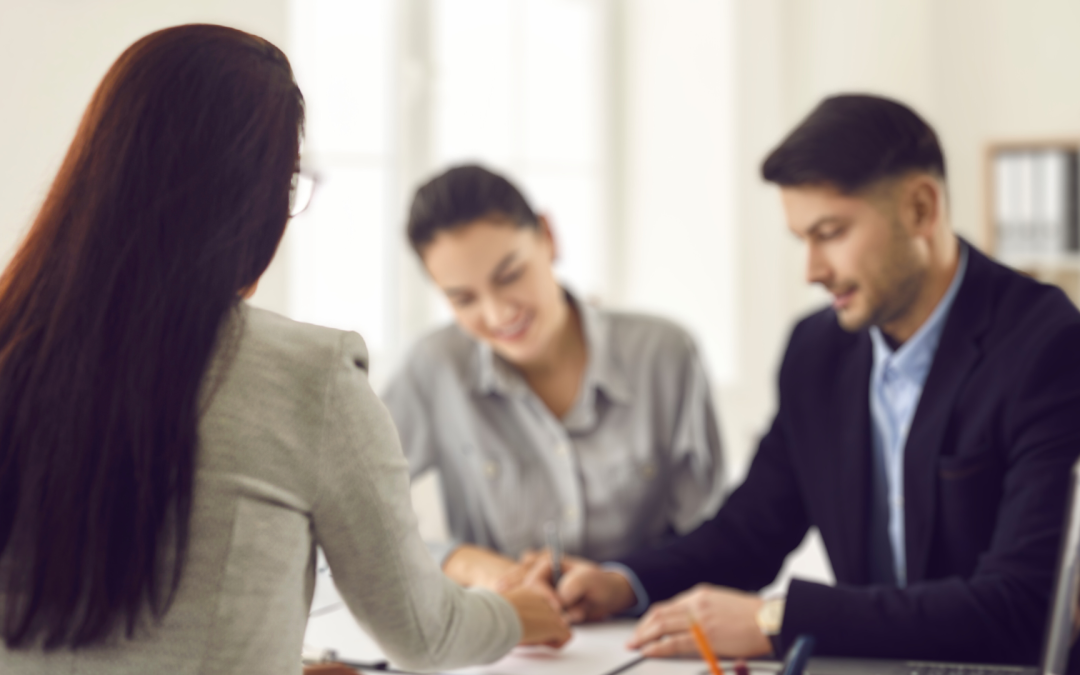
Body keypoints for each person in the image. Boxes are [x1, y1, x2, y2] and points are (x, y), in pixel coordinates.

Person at [0, 25, 568, 675]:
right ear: (257, 197)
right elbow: (423, 633)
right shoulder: (310, 376)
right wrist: (516, 612)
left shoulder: (14, 346)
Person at [536, 94, 1080, 665]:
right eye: (803, 239)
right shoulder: (817, 350)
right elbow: (751, 532)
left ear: (921, 208)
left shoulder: (1049, 347)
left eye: (831, 233)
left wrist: (776, 620)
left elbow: (1023, 607)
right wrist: (621, 583)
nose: (813, 271)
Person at [382, 164, 726, 592]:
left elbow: (714, 539)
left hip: (650, 632)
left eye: (510, 275)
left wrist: (622, 585)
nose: (498, 314)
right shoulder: (434, 367)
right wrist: (467, 563)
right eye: (463, 299)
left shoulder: (666, 355)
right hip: (508, 642)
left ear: (548, 236)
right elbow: (352, 515)